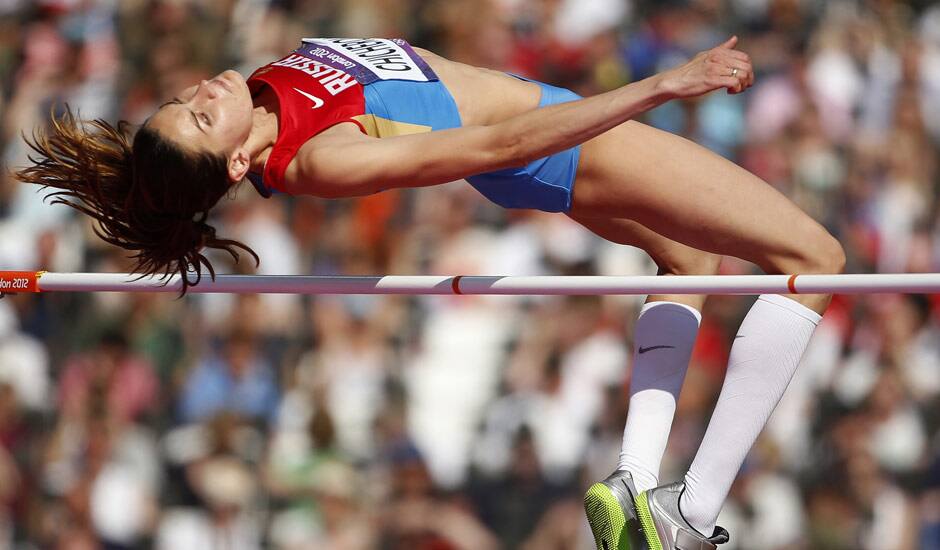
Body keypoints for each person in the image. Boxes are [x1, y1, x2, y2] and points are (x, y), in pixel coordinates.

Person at [16, 36, 844, 549]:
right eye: (198, 118)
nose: (201, 94)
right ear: (236, 166)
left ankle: (635, 485)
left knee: (691, 262)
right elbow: (502, 141)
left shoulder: (266, 82)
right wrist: (664, 85)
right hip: (550, 143)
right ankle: (693, 514)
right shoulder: (317, 160)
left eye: (180, 99)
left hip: (538, 132)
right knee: (816, 255)